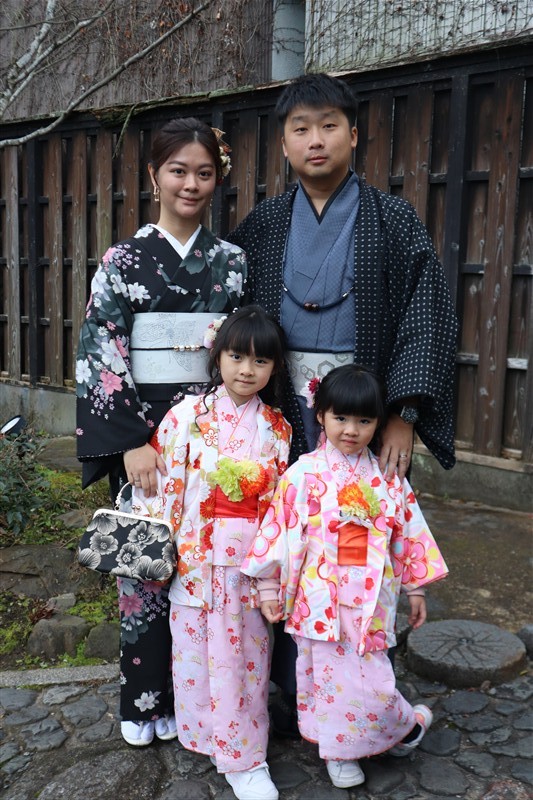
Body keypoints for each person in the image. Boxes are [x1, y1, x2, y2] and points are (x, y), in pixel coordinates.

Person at [227, 72, 457, 727]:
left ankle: (360, 687)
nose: (315, 140)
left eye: (328, 126)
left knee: (357, 540)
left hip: (358, 410)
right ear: (283, 143)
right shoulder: (263, 224)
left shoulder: (392, 218)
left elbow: (426, 316)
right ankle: (288, 683)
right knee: (285, 537)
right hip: (279, 408)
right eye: (300, 128)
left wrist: (402, 416)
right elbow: (233, 323)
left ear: (353, 135)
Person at [75, 117, 248, 746]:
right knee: (144, 569)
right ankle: (141, 701)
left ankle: (191, 698)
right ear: (154, 176)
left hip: (214, 444)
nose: (191, 184)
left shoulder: (231, 263)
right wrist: (129, 441)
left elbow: (242, 354)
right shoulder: (122, 262)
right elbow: (101, 348)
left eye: (204, 172)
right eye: (178, 171)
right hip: (145, 442)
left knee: (203, 577)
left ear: (217, 179)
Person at [242, 364, 449, 789]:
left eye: (364, 421)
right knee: (327, 680)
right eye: (340, 418)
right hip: (319, 596)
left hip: (371, 598)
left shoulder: (388, 479)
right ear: (320, 415)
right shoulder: (303, 473)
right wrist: (267, 586)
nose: (351, 430)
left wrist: (415, 588)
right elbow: (277, 533)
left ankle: (402, 725)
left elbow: (407, 534)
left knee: (375, 680)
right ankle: (342, 755)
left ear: (378, 423)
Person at [131, 306, 291, 800]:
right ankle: (205, 738)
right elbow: (158, 486)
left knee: (243, 660)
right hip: (195, 558)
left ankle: (245, 758)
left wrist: (272, 572)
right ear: (217, 356)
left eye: (261, 361)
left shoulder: (278, 428)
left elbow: (280, 507)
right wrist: (157, 546)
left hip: (248, 566)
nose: (247, 370)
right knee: (195, 656)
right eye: (237, 356)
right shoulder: (185, 416)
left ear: (274, 368)